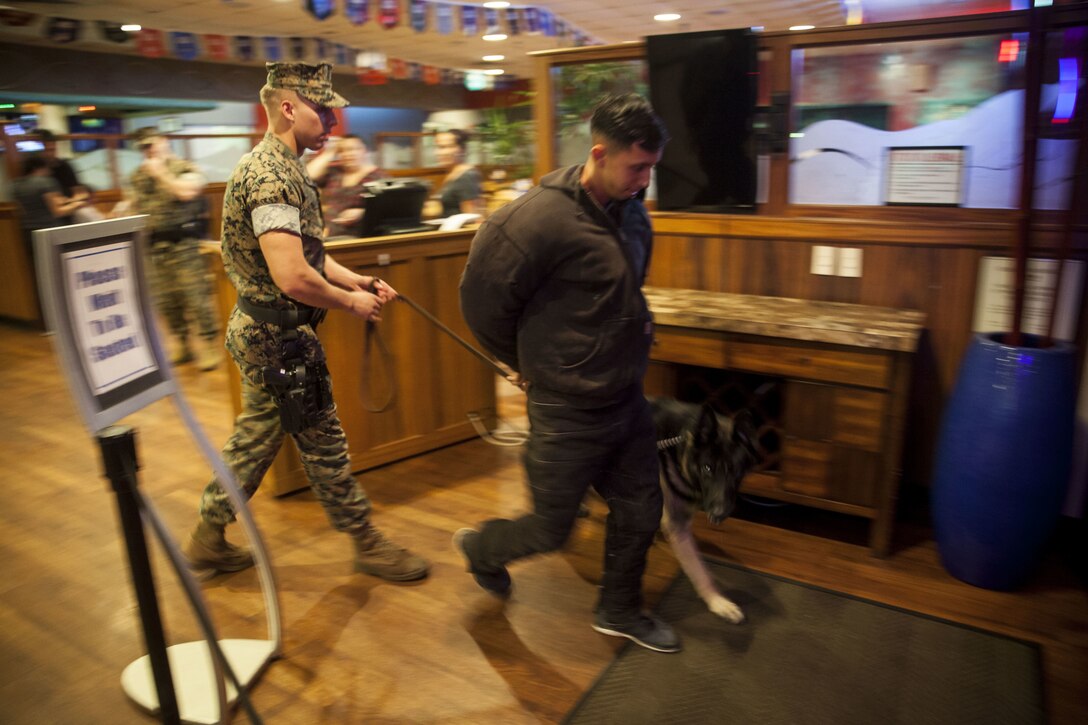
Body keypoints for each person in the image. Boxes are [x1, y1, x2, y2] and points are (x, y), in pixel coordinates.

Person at [182, 61, 429, 583]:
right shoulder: (271, 175)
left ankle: (207, 537)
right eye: (323, 110)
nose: (333, 124)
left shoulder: (284, 165)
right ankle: (365, 540)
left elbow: (310, 257)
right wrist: (352, 304)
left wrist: (354, 280)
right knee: (324, 443)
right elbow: (293, 276)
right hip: (278, 340)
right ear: (289, 108)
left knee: (254, 441)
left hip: (270, 332)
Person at [455, 94, 677, 653]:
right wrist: (527, 365)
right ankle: (481, 549)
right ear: (599, 154)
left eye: (652, 167)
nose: (644, 179)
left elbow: (624, 289)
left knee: (642, 507)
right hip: (566, 407)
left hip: (623, 396)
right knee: (552, 529)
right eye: (636, 167)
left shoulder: (634, 213)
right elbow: (480, 304)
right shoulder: (534, 219)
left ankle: (619, 610)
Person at [126, 128, 220, 371]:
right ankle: (181, 343)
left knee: (195, 296)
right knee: (166, 299)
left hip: (184, 243)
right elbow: (134, 204)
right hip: (155, 245)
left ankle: (209, 344)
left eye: (152, 144)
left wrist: (160, 174)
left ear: (164, 142)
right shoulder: (138, 176)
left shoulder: (185, 168)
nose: (149, 150)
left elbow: (185, 191)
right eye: (144, 147)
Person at [306, 133, 387, 237]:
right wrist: (329, 152)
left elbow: (389, 211)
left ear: (365, 151)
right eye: (342, 150)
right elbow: (307, 175)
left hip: (357, 237)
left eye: (353, 149)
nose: (348, 154)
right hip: (326, 234)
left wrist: (363, 212)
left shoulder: (378, 177)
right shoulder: (334, 172)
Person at [34, 129, 96, 223]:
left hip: (69, 214)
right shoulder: (33, 171)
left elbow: (80, 193)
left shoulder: (64, 166)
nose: (50, 154)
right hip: (44, 219)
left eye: (53, 150)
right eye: (46, 150)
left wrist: (70, 202)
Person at [433, 129, 482, 218]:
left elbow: (472, 217)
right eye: (439, 147)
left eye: (446, 147)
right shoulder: (453, 174)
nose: (439, 153)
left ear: (462, 149)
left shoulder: (466, 176)